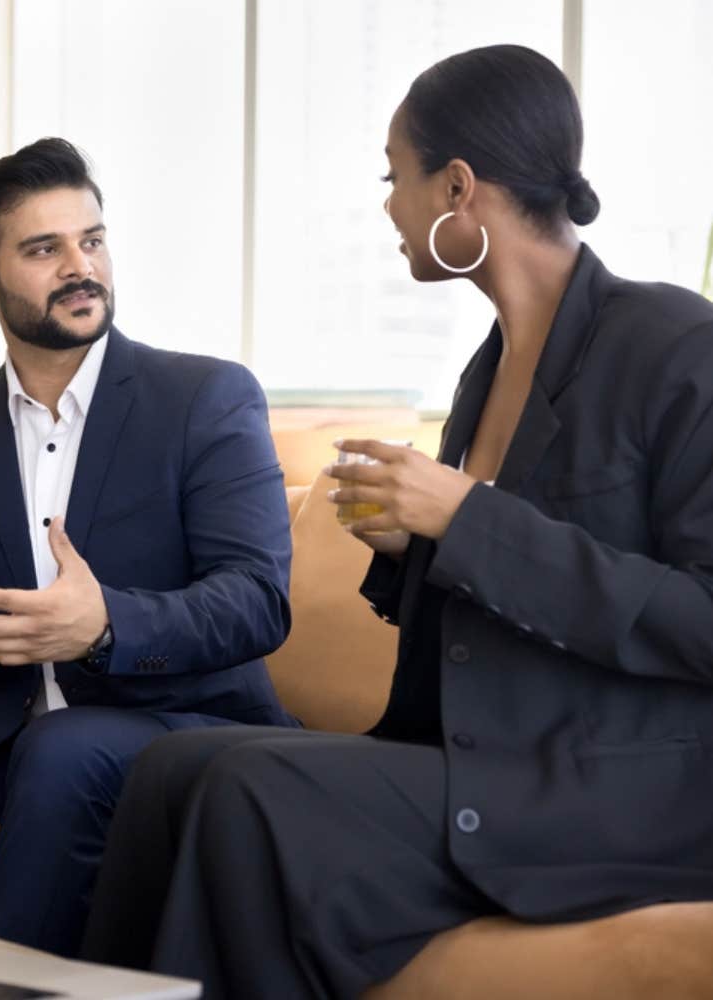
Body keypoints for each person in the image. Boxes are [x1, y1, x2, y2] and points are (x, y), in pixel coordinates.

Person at [80, 43, 713, 999]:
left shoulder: (677, 347)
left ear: (458, 187)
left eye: (394, 176)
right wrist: (411, 550)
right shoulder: (486, 371)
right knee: (171, 771)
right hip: (479, 754)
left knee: (247, 794)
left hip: (613, 787)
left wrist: (466, 519)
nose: (387, 205)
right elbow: (492, 604)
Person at [0, 137, 297, 957]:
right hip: (19, 746)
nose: (79, 265)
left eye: (91, 239)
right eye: (44, 248)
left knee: (68, 748)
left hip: (197, 736)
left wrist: (103, 628)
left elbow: (254, 601)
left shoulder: (204, 398)